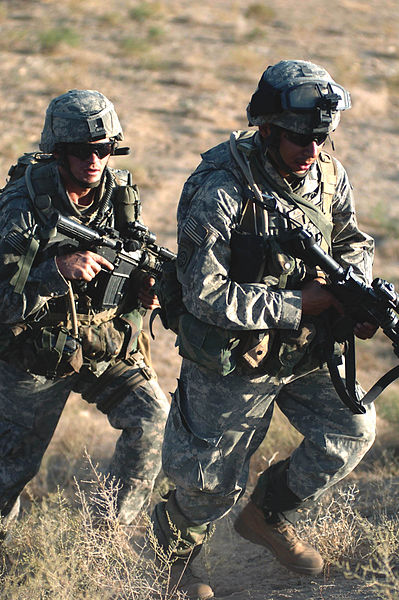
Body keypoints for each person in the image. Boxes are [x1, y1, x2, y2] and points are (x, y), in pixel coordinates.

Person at [151, 60, 377, 599]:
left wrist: (355, 294)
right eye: (300, 137)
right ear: (268, 128)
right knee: (207, 486)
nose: (312, 151)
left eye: (322, 138)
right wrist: (297, 303)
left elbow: (351, 239)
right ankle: (177, 557)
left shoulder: (327, 173)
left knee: (351, 431)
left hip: (303, 352)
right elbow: (205, 294)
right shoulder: (218, 189)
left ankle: (266, 515)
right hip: (232, 357)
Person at [0, 89, 170, 531]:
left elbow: (138, 252)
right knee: (8, 473)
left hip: (104, 341)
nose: (94, 161)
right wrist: (53, 272)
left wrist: (146, 287)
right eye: (82, 151)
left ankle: (102, 540)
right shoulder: (21, 209)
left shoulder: (120, 194)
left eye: (105, 150)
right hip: (33, 352)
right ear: (58, 151)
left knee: (153, 420)